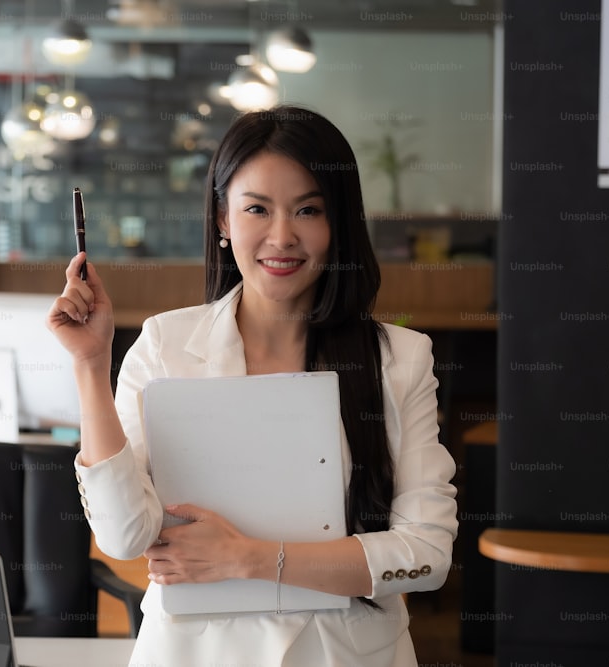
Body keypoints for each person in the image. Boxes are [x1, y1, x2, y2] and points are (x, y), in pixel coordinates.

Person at [46, 105, 458, 666]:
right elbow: (122, 537)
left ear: (339, 223)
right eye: (257, 209)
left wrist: (250, 559)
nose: (281, 237)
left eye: (308, 210)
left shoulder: (400, 359)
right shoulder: (167, 345)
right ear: (222, 219)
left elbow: (426, 554)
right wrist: (91, 366)